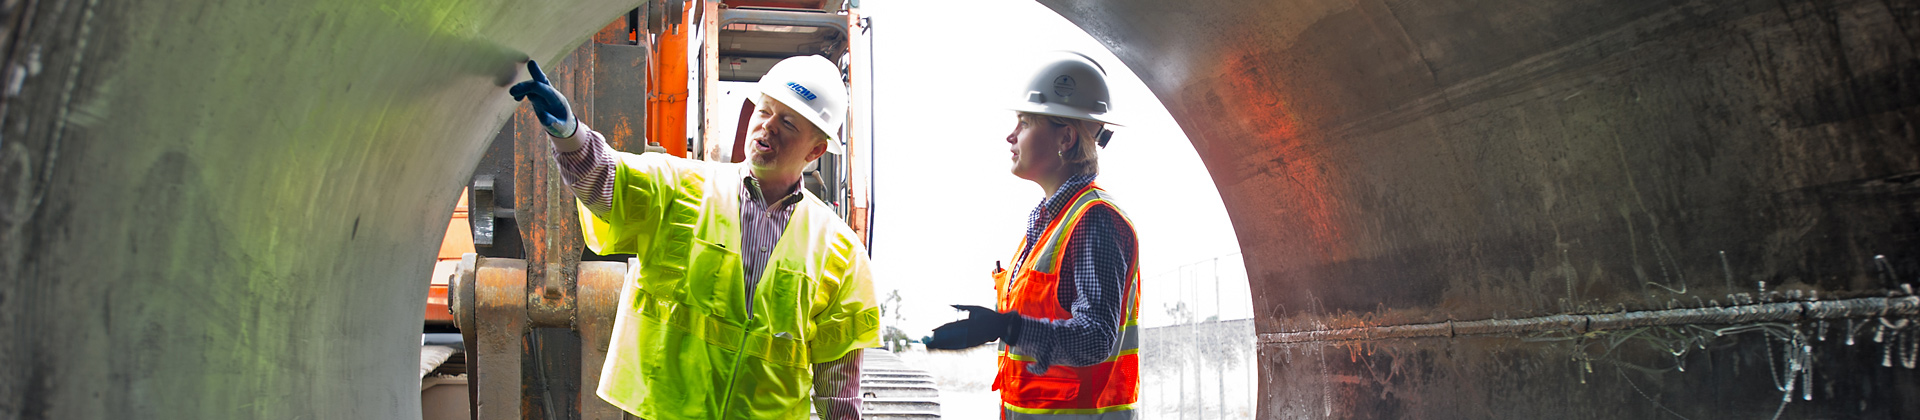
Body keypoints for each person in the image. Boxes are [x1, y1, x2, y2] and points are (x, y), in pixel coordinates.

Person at [509, 55, 880, 419]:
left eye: (788, 122)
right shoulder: (681, 186)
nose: (767, 126)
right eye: (764, 111)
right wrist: (570, 135)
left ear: (816, 150)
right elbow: (609, 182)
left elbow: (839, 383)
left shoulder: (841, 251)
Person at [925, 52, 1142, 419]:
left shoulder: (1094, 220)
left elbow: (1095, 337)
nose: (1010, 135)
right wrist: (1002, 329)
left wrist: (1008, 327)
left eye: (1024, 123)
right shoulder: (1047, 223)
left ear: (1067, 138)